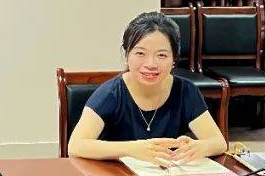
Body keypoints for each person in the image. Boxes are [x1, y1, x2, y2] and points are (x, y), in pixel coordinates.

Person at [67, 11, 227, 164]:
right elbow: (76, 146)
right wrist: (133, 149)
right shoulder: (111, 94)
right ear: (127, 55)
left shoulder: (185, 91)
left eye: (161, 55)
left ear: (174, 60)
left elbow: (219, 142)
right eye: (140, 53)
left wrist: (198, 147)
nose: (151, 64)